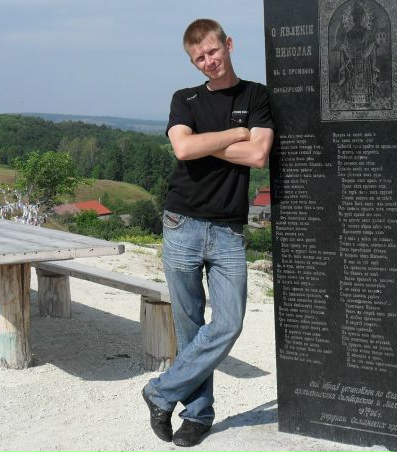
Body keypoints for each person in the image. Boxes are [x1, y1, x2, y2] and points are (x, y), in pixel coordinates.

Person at [141, 18, 274, 447]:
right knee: (190, 327)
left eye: (213, 51)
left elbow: (258, 155)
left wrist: (208, 142)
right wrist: (235, 133)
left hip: (228, 230)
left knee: (229, 323)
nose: (208, 61)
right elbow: (183, 148)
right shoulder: (185, 98)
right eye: (199, 58)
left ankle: (160, 392)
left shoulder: (256, 95)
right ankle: (198, 415)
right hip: (182, 222)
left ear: (229, 44)